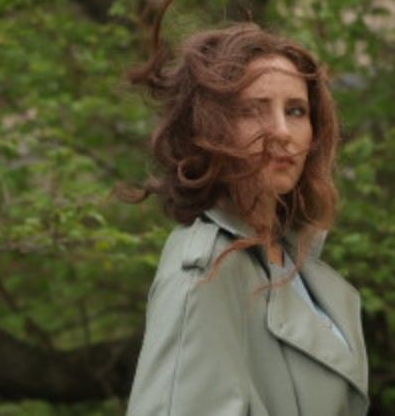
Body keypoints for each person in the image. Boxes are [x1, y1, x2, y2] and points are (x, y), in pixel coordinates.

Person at [124, 22, 369, 415]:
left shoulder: (292, 259)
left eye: (296, 111)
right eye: (253, 110)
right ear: (208, 127)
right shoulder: (204, 272)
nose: (282, 132)